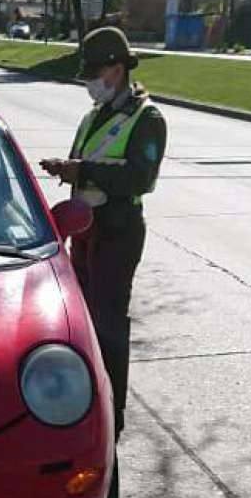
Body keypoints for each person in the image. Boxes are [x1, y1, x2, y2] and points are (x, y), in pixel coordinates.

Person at [40, 26, 166, 440]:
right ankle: (91, 400)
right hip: (85, 230)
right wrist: (67, 167)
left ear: (117, 68)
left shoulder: (147, 118)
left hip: (118, 232)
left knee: (110, 322)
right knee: (85, 322)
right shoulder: (94, 115)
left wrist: (84, 171)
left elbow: (140, 177)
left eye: (96, 73)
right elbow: (84, 161)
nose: (91, 83)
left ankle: (114, 413)